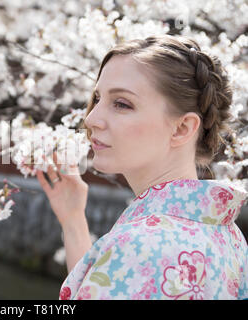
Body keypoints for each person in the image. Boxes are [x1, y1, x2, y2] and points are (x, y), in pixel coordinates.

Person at [36, 34, 248, 300]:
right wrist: (73, 220)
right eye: (98, 98)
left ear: (182, 128)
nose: (91, 118)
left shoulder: (140, 246)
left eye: (122, 104)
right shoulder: (228, 236)